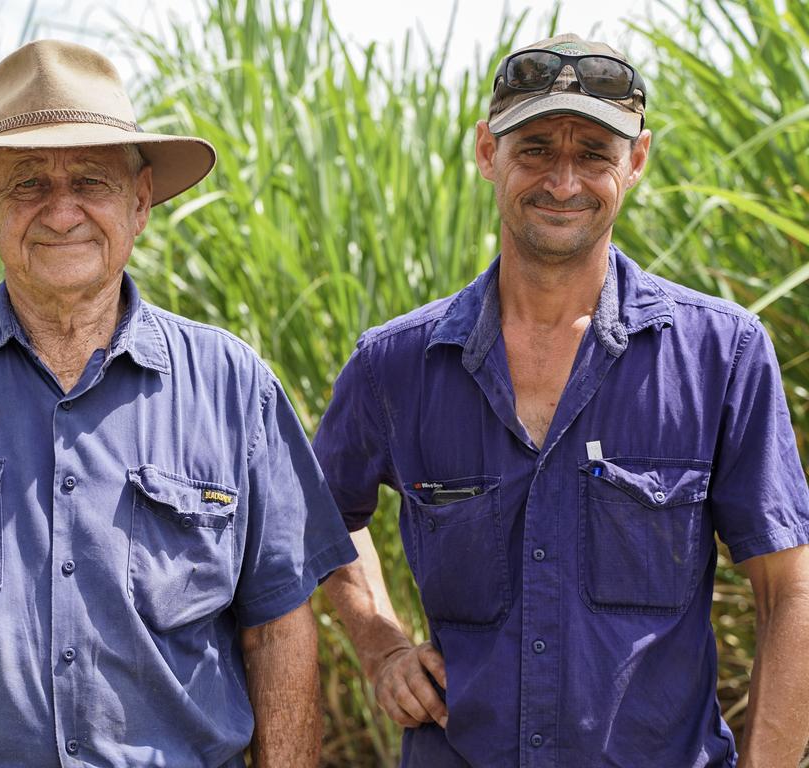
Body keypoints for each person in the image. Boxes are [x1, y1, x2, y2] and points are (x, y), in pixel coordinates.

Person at [0, 39, 356, 768]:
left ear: (140, 201)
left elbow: (278, 630)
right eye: (27, 184)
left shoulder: (233, 387)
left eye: (91, 180)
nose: (62, 212)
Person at [314, 33, 809, 767]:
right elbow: (317, 515)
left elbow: (789, 593)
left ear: (635, 162)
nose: (563, 180)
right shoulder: (397, 365)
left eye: (595, 155)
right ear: (488, 153)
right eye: (537, 149)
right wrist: (379, 641)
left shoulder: (721, 354)